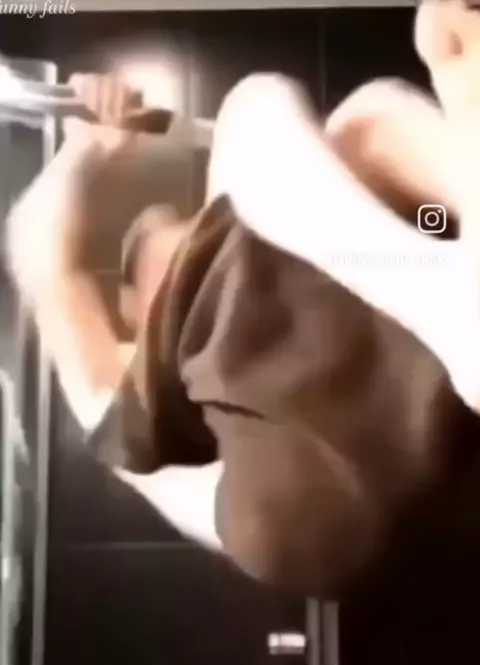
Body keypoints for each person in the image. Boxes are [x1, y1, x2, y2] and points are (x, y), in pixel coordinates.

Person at [6, 0, 480, 593]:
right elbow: (40, 257)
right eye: (151, 256)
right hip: (317, 499)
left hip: (414, 286)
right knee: (262, 109)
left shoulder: (306, 231)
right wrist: (83, 152)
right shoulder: (160, 395)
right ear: (137, 316)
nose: (184, 227)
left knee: (363, 119)